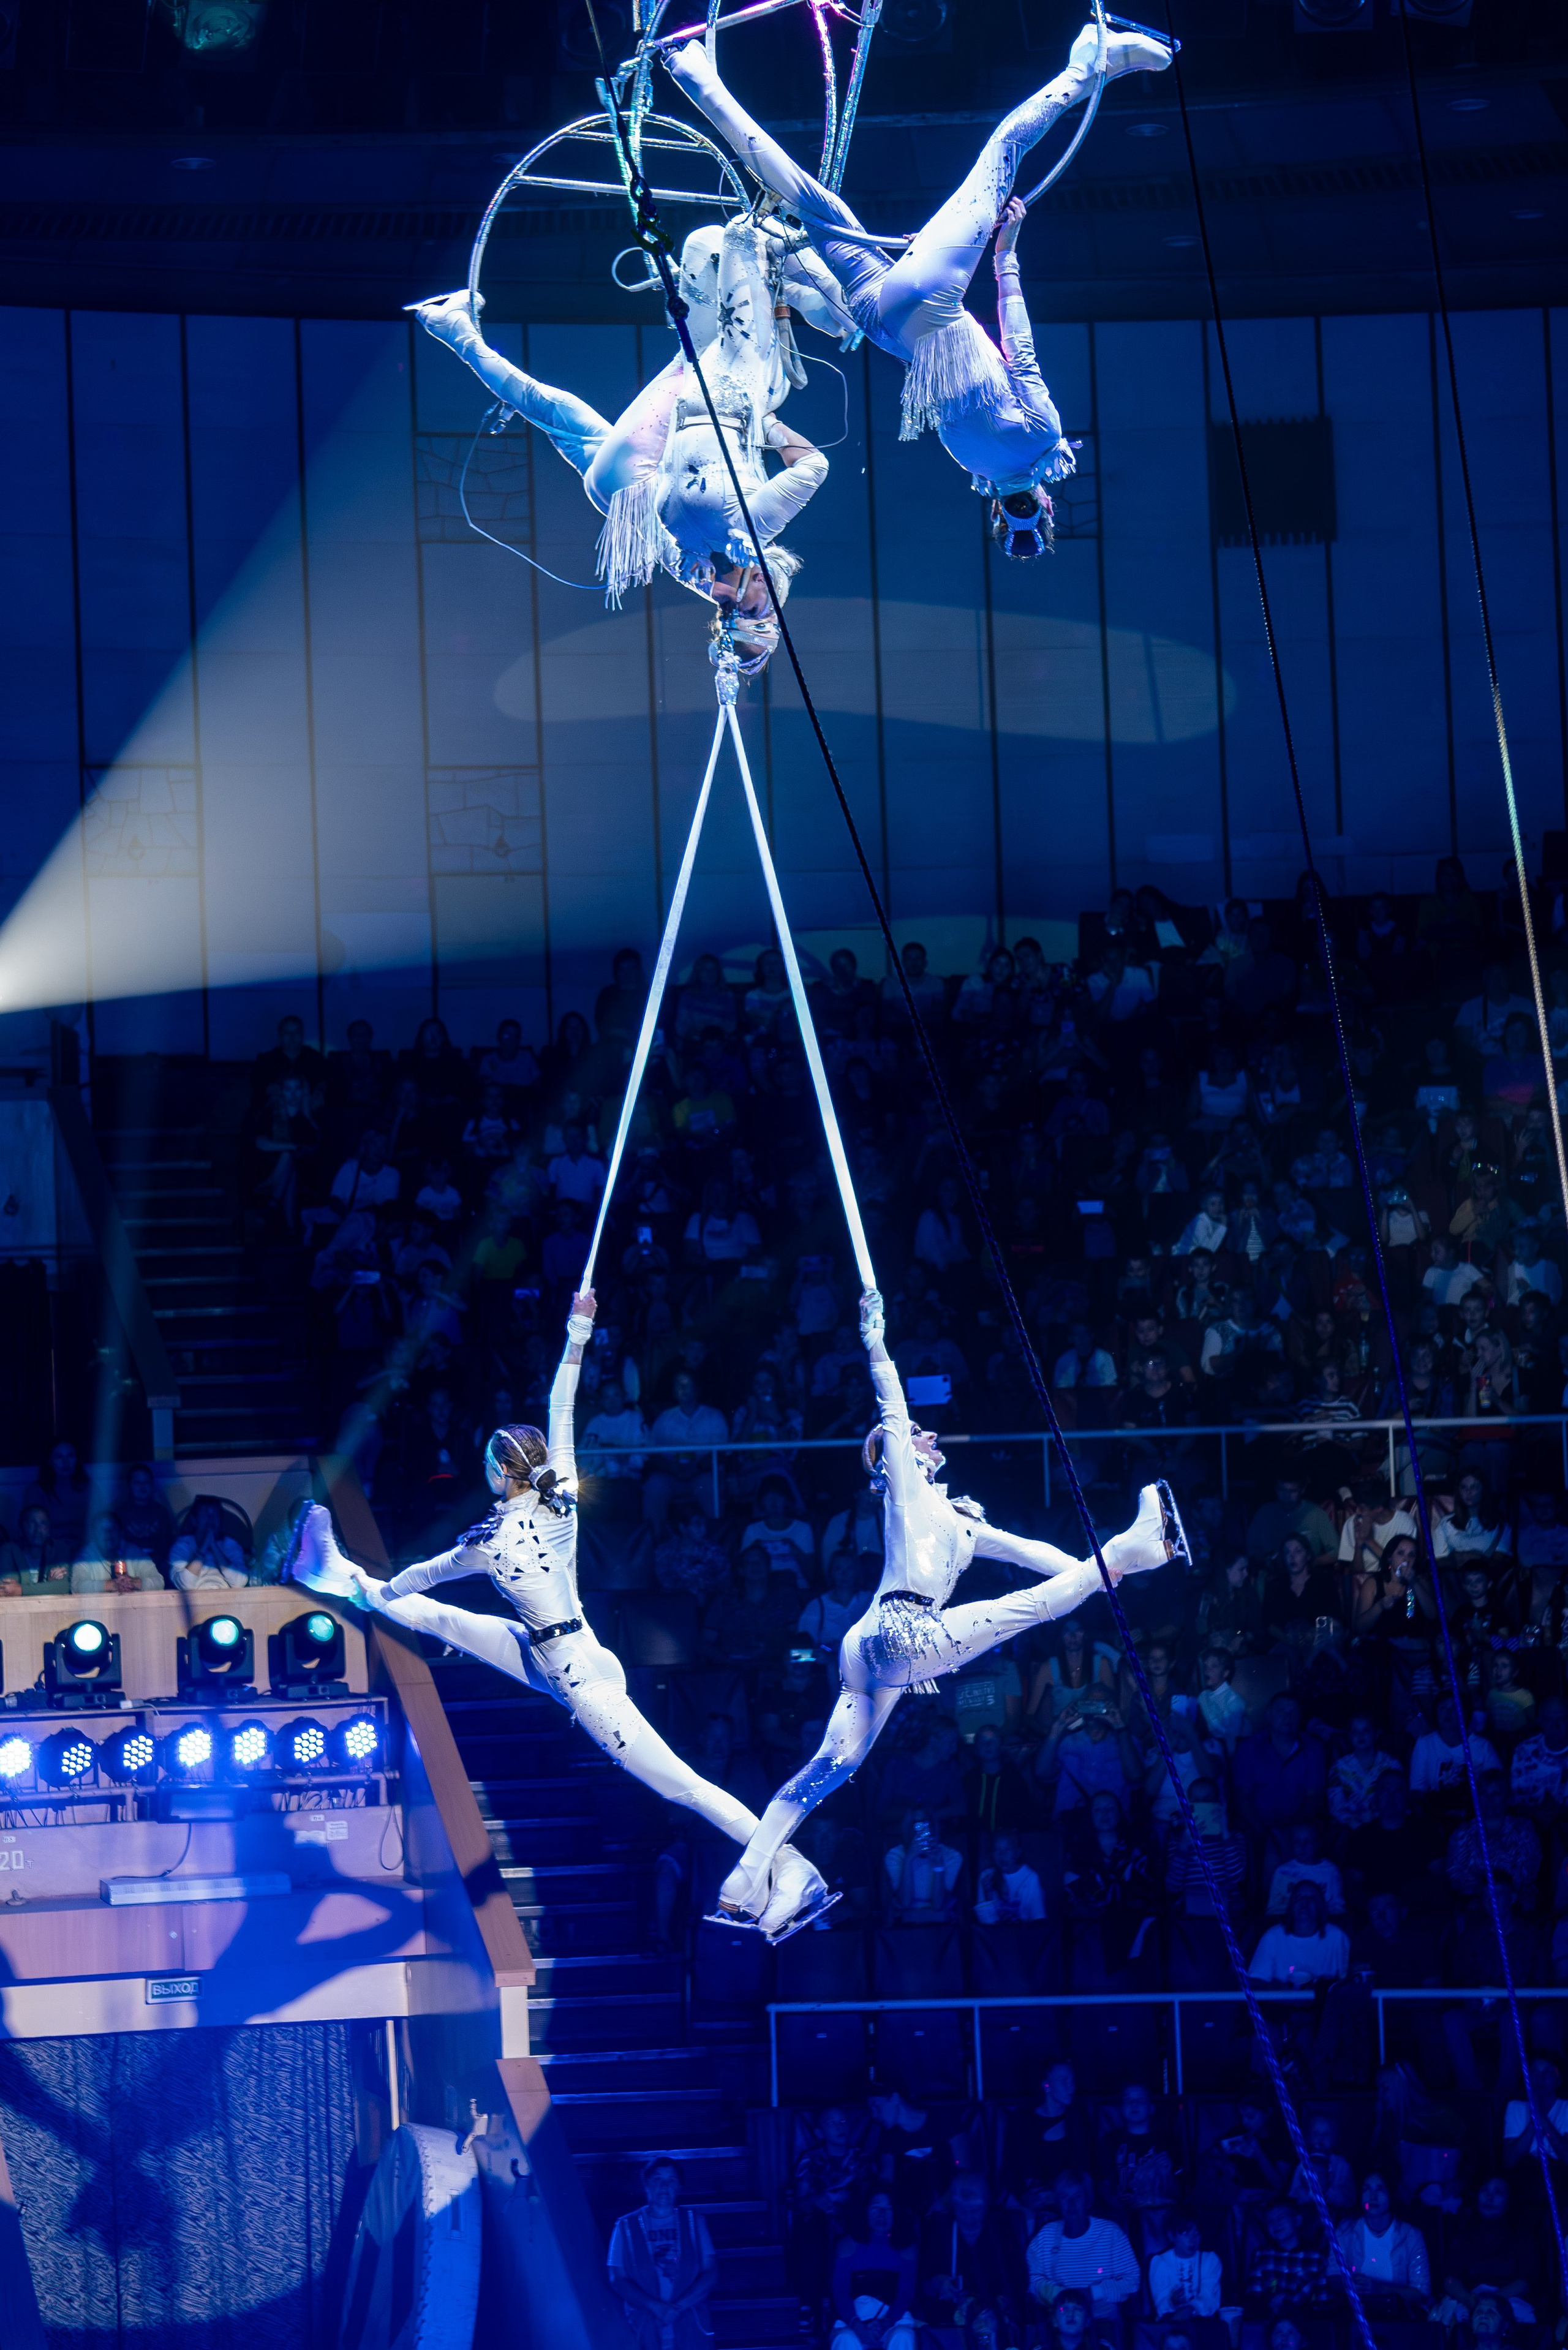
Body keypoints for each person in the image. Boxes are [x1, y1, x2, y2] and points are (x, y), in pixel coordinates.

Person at [287, 1288, 827, 1938]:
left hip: (581, 1682)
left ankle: (790, 1864)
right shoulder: (560, 1500)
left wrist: (379, 1587)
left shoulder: (487, 1541)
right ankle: (334, 1573)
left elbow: (411, 1584)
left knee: (682, 1786)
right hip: (568, 1650)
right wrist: (578, 1331)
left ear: (497, 1473)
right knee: (445, 1622)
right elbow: (560, 1407)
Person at [709, 1287, 1182, 1933]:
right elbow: (893, 1406)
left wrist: (1090, 1579)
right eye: (910, 1440)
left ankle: (745, 1885)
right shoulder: (905, 1492)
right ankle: (1135, 1550)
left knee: (831, 1768)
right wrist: (875, 1339)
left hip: (878, 1650)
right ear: (894, 1462)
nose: (925, 1436)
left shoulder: (961, 1519)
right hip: (901, 1631)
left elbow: (1030, 1550)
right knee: (1028, 1611)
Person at [668, 21, 1171, 543]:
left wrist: (1007, 255)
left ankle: (1088, 64)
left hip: (930, 296)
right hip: (884, 322)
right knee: (808, 201)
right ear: (999, 512)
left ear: (1045, 504)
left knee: (1004, 151)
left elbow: (1021, 350)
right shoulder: (970, 462)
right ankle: (693, 74)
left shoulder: (1042, 441)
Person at [413, 217, 829, 664]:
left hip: (634, 476)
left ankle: (750, 281)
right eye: (762, 604)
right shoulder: (726, 560)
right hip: (614, 489)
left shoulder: (723, 556)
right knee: (550, 405)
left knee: (690, 361)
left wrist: (767, 425)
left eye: (747, 608)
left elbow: (802, 473)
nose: (756, 596)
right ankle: (450, 324)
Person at [608, 2156, 718, 2350]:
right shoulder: (625, 2226)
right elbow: (618, 2279)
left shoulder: (695, 2222)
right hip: (643, 2327)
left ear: (680, 2186)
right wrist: (655, 2307)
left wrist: (677, 2308)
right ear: (646, 2184)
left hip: (691, 2325)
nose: (664, 2186)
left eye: (672, 2180)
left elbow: (711, 2272)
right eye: (658, 2179)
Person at [1025, 2169, 1141, 2313]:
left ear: (1088, 2200)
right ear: (1058, 2202)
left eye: (1077, 2196)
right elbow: (1033, 2281)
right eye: (1064, 2197)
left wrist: (1092, 2293)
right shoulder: (1045, 2236)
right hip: (1061, 2317)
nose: (1071, 2203)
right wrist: (1067, 2297)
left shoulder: (1110, 2233)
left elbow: (1132, 2281)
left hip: (1103, 2317)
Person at [830, 2189, 919, 2350]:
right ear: (865, 2211)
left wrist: (887, 2323)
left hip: (892, 2318)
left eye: (888, 2209)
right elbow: (840, 2292)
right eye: (876, 2208)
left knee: (903, 2336)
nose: (882, 2214)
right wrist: (858, 2326)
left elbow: (906, 2293)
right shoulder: (847, 2245)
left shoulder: (907, 2248)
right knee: (845, 2339)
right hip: (854, 2316)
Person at [1334, 2172, 1430, 2307]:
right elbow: (1333, 2275)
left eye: (1380, 2190)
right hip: (1356, 2314)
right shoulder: (1345, 2230)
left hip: (1399, 2318)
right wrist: (1350, 2285)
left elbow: (1422, 2292)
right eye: (1367, 2189)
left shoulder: (1411, 2236)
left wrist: (1383, 2290)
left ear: (1392, 2195)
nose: (1373, 2197)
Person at [1248, 1882, 1349, 1986]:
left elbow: (1349, 1980)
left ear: (1321, 1906)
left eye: (1312, 1898)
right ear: (1290, 1906)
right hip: (1281, 2001)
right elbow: (1255, 1981)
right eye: (1298, 1897)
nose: (1304, 1902)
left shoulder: (1337, 1937)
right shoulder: (1273, 1937)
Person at [1148, 2213, 1222, 2319]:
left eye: (1197, 2232)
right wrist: (1172, 2302)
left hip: (1203, 2324)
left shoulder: (1210, 2260)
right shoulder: (1161, 2262)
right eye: (1186, 2233)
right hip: (1169, 2325)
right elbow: (1160, 2306)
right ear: (1172, 2236)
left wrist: (1190, 2309)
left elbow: (1210, 2298)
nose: (1193, 2239)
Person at [71, 1509, 162, 1594]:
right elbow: (76, 1587)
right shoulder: (86, 1556)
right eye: (102, 1530)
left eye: (113, 1528)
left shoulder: (134, 1553)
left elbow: (159, 1582)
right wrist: (112, 1585)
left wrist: (133, 1582)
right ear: (94, 1535)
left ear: (121, 1532)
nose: (108, 1533)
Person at [168, 1498, 249, 1590]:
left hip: (227, 1598)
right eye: (205, 1515)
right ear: (194, 1520)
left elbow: (240, 1582)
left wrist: (214, 1547)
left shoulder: (230, 1544)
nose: (211, 1520)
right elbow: (185, 1585)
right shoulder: (182, 1545)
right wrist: (203, 1548)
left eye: (215, 1515)